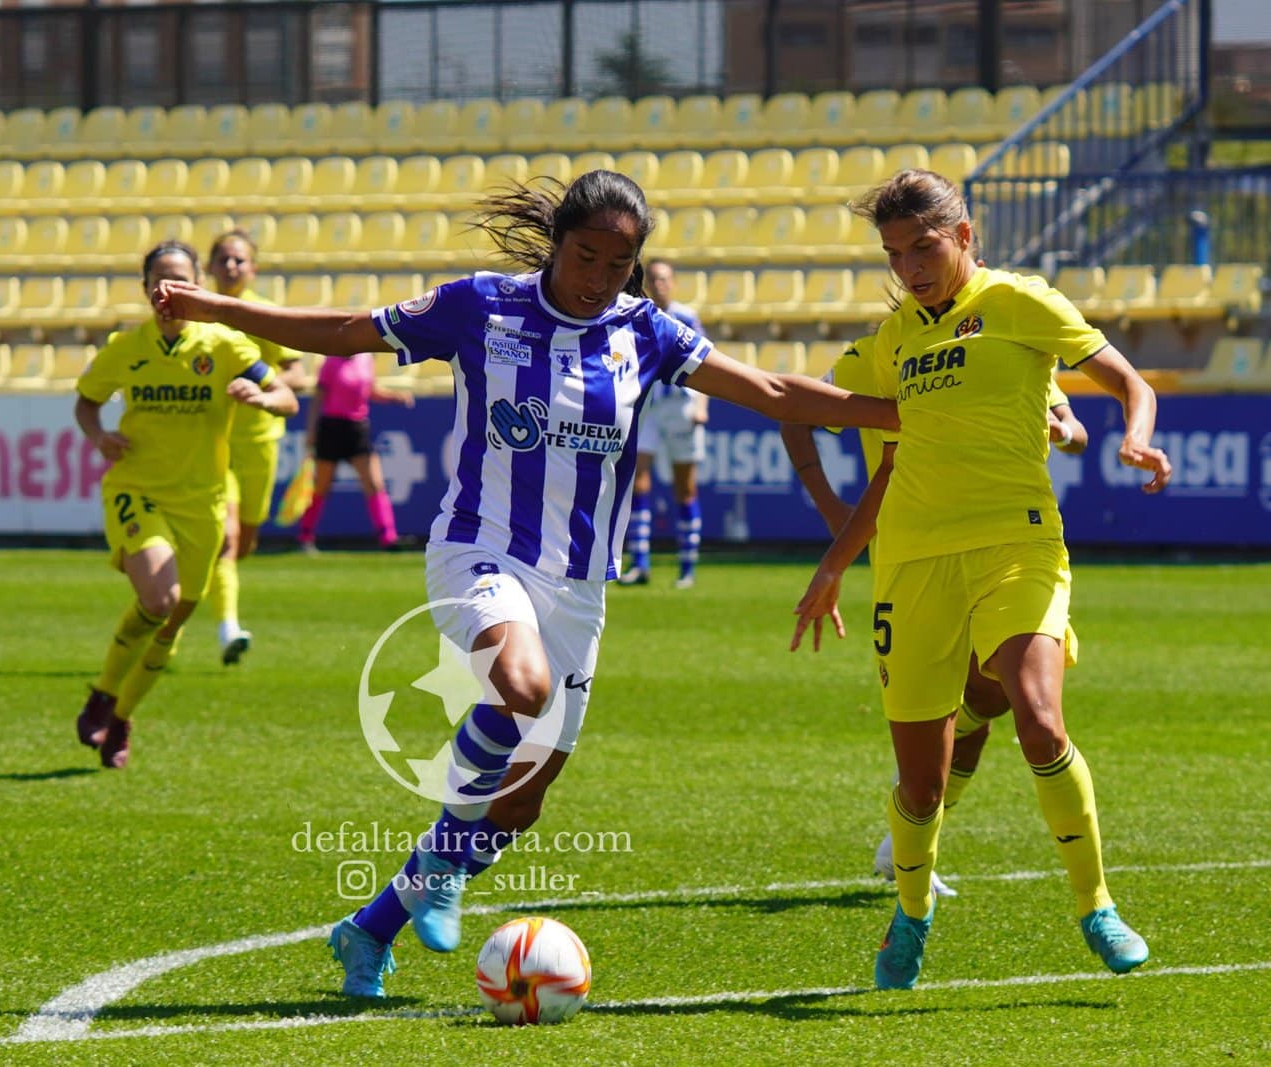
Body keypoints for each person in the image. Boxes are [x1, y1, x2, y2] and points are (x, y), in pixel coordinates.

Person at [151, 169, 899, 998]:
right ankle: (441, 866)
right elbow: (341, 329)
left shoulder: (645, 331)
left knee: (522, 803)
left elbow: (770, 390)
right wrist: (216, 308)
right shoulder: (482, 305)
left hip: (579, 586)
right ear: (557, 244)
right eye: (586, 256)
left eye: (619, 264)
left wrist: (897, 414)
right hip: (481, 548)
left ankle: (368, 930)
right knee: (522, 684)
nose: (599, 277)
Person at [788, 170, 1171, 991]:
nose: (910, 267)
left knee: (1035, 716)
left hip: (1017, 544)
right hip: (916, 566)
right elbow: (811, 414)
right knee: (920, 786)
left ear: (965, 236)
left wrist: (1131, 437)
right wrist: (835, 548)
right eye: (894, 253)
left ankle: (1095, 904)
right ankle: (913, 913)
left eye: (923, 247)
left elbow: (1127, 381)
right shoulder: (892, 346)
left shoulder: (1022, 303)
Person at [780, 334, 1089, 897]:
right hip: (917, 556)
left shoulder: (1012, 346)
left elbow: (1075, 430)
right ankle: (912, 834)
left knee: (993, 695)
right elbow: (794, 413)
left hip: (1006, 544)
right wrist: (831, 507)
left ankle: (911, 829)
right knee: (973, 704)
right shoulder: (879, 355)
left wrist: (1062, 431)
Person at [72, 241, 297, 769]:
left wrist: (263, 398)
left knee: (171, 624)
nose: (168, 290)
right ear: (147, 288)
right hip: (138, 488)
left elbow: (287, 395)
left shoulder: (224, 345)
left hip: (203, 502)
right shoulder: (125, 347)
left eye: (180, 279)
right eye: (159, 280)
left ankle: (122, 718)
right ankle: (103, 693)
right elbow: (85, 402)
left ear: (197, 285)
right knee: (159, 597)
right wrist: (98, 434)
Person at [203, 230, 307, 665]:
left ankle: (201, 584)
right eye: (224, 259)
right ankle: (228, 628)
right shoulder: (196, 316)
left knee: (243, 543)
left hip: (260, 443)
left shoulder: (265, 314)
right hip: (209, 444)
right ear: (209, 267)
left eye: (239, 260)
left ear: (253, 269)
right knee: (225, 540)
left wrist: (265, 387)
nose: (231, 267)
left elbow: (298, 375)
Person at [620, 258, 708, 589]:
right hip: (649, 411)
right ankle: (640, 562)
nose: (659, 285)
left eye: (664, 279)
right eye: (654, 279)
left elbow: (706, 363)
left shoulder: (686, 317)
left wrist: (701, 405)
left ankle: (687, 568)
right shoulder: (637, 316)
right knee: (638, 480)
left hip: (681, 409)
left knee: (684, 488)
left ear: (672, 283)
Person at [295, 350, 414, 554]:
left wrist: (395, 397)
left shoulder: (366, 360)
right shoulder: (330, 363)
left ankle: (388, 538)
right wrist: (311, 431)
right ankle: (305, 536)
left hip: (357, 429)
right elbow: (318, 399)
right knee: (321, 486)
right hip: (332, 428)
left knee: (374, 483)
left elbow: (370, 391)